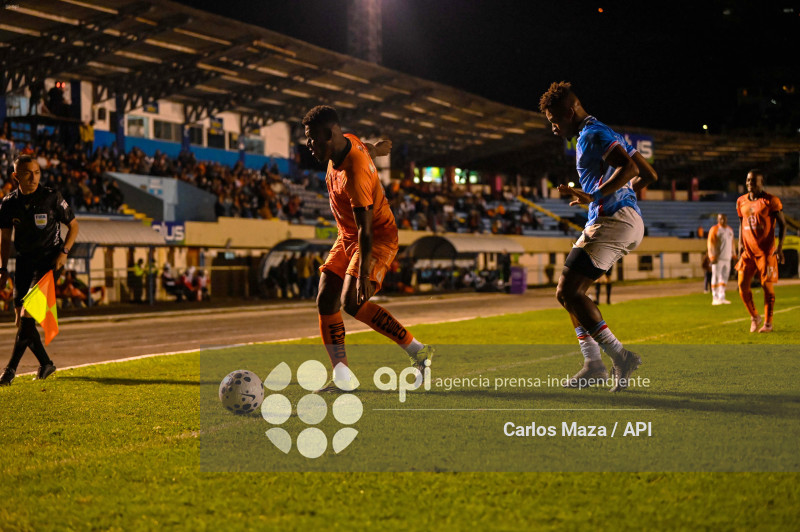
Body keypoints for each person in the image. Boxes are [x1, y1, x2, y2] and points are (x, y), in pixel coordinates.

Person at [303, 105, 433, 391]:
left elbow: (367, 229)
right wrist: (376, 149)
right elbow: (363, 148)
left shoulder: (354, 171)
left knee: (352, 302)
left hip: (375, 236)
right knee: (326, 298)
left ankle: (418, 351)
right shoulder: (345, 141)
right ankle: (343, 378)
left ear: (329, 134)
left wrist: (362, 275)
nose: (308, 145)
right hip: (347, 235)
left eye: (312, 139)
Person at [539, 81, 657, 392]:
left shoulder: (591, 134)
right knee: (568, 295)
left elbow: (629, 167)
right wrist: (608, 197)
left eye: (554, 121)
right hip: (621, 219)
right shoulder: (602, 131)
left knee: (569, 291)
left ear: (569, 111)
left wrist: (596, 196)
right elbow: (649, 175)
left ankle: (621, 357)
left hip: (614, 220)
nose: (553, 128)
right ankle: (593, 365)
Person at [0, 155, 79, 386]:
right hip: (24, 263)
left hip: (48, 263)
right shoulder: (7, 204)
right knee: (21, 320)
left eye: (37, 172)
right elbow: (4, 239)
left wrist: (64, 252)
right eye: (27, 173)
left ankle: (9, 371)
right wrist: (2, 268)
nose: (33, 177)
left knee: (27, 315)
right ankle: (46, 363)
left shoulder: (51, 197)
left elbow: (73, 226)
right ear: (16, 176)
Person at [736, 170, 786, 333]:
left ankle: (768, 323)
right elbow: (741, 222)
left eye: (753, 181)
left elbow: (783, 225)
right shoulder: (741, 201)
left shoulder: (771, 201)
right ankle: (755, 317)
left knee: (766, 286)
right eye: (748, 180)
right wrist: (740, 242)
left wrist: (779, 247)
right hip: (748, 251)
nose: (750, 183)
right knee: (742, 286)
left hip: (765, 252)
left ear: (761, 183)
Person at [707, 213, 735, 305]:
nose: (722, 221)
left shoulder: (730, 230)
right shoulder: (714, 229)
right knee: (715, 277)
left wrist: (734, 255)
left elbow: (732, 244)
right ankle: (714, 298)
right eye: (720, 219)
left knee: (724, 278)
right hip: (717, 258)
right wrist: (712, 256)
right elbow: (710, 244)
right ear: (718, 220)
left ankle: (722, 297)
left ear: (726, 219)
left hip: (727, 258)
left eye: (724, 219)